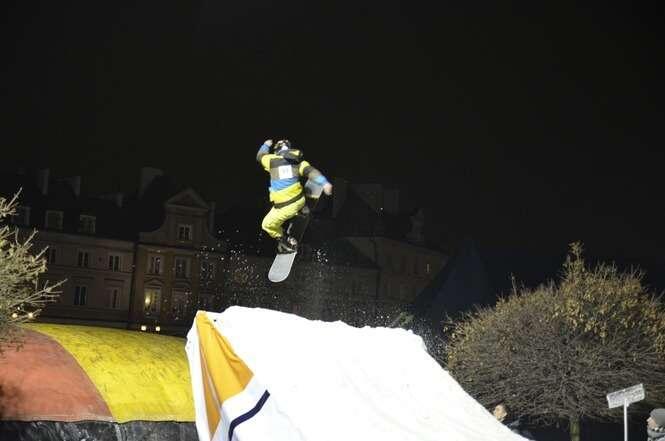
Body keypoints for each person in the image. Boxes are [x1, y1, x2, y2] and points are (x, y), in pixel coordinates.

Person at [256, 139, 332, 253]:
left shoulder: (271, 160)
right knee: (297, 184)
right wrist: (324, 183)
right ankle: (302, 209)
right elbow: (311, 171)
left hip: (285, 207)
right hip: (299, 200)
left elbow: (260, 156)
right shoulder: (298, 162)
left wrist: (265, 145)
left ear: (277, 150)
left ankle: (286, 241)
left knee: (267, 225)